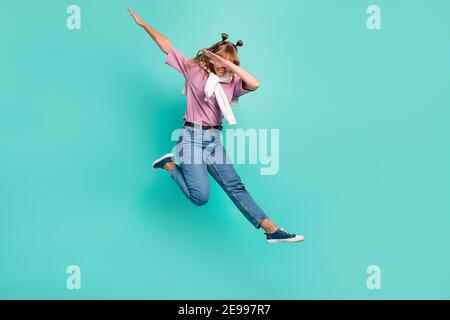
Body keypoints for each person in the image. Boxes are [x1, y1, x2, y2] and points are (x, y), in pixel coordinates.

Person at [128, 8, 304, 244]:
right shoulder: (193, 71)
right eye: (220, 62)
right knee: (200, 197)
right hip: (190, 136)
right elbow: (167, 47)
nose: (223, 67)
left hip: (213, 140)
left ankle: (271, 230)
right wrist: (144, 25)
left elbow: (256, 83)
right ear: (211, 57)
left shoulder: (232, 83)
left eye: (229, 64)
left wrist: (228, 65)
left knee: (235, 185)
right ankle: (169, 165)